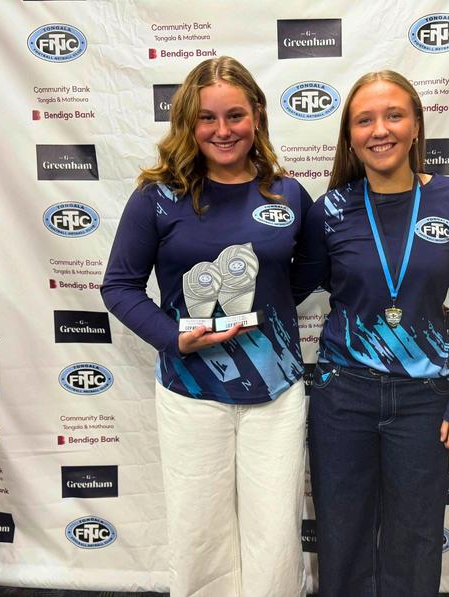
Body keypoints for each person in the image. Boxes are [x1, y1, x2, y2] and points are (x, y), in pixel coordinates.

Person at [101, 56, 311, 597]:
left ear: (257, 114)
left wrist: (269, 311)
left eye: (235, 115)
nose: (223, 130)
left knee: (275, 539)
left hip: (277, 391)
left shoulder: (288, 194)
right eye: (207, 118)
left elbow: (309, 272)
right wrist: (173, 337)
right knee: (199, 537)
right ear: (188, 122)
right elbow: (119, 286)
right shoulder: (156, 197)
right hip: (191, 390)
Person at [291, 70, 449, 596]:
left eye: (394, 115)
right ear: (350, 136)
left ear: (416, 125)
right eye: (365, 120)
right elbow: (286, 289)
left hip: (425, 399)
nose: (380, 130)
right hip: (343, 395)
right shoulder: (330, 210)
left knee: (416, 541)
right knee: (342, 539)